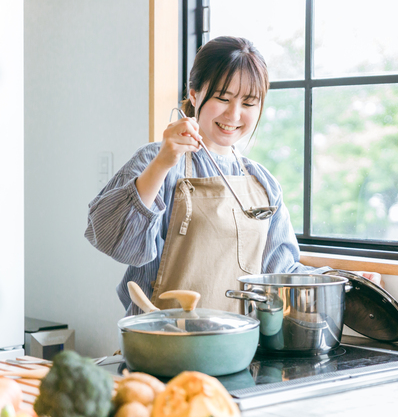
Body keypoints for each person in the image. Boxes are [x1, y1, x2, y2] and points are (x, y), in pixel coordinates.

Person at [85, 36, 380, 316]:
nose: (234, 115)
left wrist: (344, 280)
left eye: (249, 103)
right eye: (223, 98)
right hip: (159, 346)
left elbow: (280, 270)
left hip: (235, 347)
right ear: (194, 94)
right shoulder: (157, 158)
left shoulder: (262, 182)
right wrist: (164, 161)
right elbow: (111, 238)